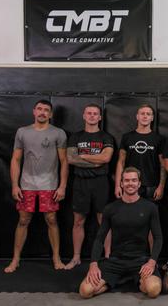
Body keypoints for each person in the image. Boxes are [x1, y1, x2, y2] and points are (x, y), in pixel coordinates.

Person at [4, 99, 68, 273]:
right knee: (23, 220)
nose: (42, 112)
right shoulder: (22, 132)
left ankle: (56, 258)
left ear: (51, 114)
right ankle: (15, 260)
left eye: (46, 110)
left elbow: (64, 161)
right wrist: (15, 185)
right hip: (27, 184)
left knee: (51, 220)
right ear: (34, 111)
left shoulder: (59, 133)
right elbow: (15, 159)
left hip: (49, 184)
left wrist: (62, 186)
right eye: (39, 109)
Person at [79, 167, 162, 299]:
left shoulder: (150, 208)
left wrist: (152, 262)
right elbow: (99, 239)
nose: (130, 183)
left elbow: (158, 238)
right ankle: (113, 282)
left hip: (140, 261)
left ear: (139, 183)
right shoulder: (110, 208)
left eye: (134, 180)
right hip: (115, 261)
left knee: (153, 290)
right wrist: (93, 264)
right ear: (121, 183)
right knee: (85, 291)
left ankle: (137, 282)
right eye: (127, 180)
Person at [65, 104, 115, 270]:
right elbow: (71, 159)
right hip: (80, 183)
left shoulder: (106, 137)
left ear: (100, 117)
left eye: (95, 114)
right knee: (78, 221)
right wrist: (95, 160)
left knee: (104, 220)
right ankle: (76, 257)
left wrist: (83, 156)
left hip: (101, 182)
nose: (92, 116)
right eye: (89, 113)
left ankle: (107, 257)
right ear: (84, 116)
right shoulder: (75, 137)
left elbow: (107, 158)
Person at [115, 104, 166, 202]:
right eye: (142, 113)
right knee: (130, 214)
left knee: (149, 215)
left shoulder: (159, 139)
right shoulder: (127, 137)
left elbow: (163, 165)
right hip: (130, 185)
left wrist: (161, 187)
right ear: (137, 116)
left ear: (152, 118)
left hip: (151, 186)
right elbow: (121, 162)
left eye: (148, 114)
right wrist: (117, 185)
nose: (145, 116)